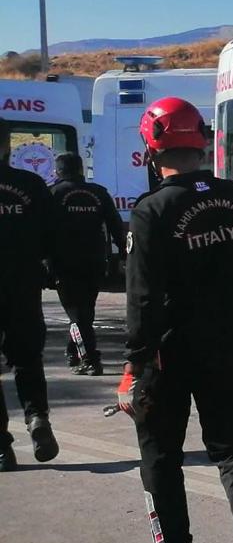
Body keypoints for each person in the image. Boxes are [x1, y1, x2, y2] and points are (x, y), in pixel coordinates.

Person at [121, 96, 233, 543]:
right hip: (227, 347)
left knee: (161, 453)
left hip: (169, 353)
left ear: (152, 147)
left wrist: (135, 363)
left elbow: (142, 298)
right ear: (203, 140)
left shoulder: (151, 210)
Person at [0, 161, 59, 471]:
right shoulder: (31, 185)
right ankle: (37, 416)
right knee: (28, 359)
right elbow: (53, 233)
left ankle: (1, 447)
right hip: (23, 285)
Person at [48, 152, 124, 376]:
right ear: (81, 169)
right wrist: (124, 253)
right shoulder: (98, 193)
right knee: (84, 312)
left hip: (64, 262)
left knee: (77, 314)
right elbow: (115, 225)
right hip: (94, 260)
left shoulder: (53, 193)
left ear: (58, 171)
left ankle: (90, 358)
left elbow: (43, 230)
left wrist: (43, 260)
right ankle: (74, 351)